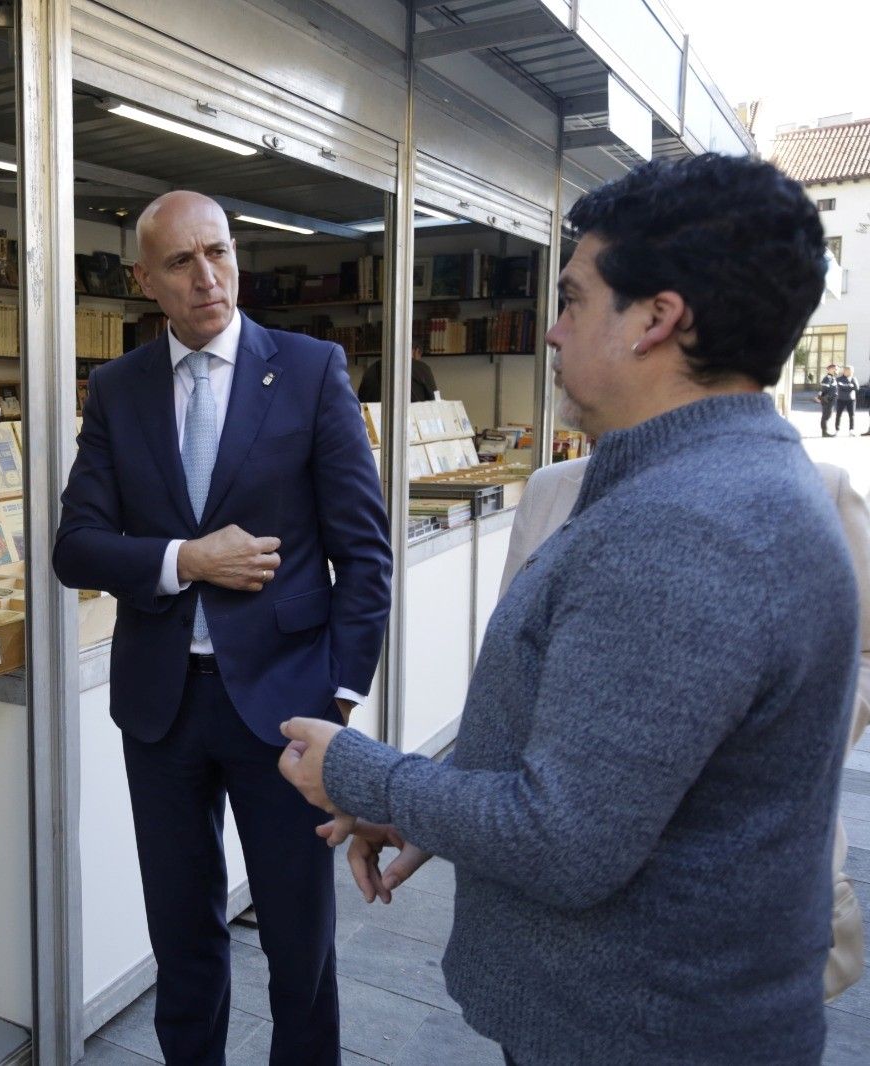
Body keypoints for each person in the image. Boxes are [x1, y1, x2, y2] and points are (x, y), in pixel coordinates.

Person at [278, 154, 855, 1064]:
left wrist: (365, 774)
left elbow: (564, 837)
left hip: (636, 1030)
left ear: (658, 320)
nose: (550, 330)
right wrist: (432, 808)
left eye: (576, 298)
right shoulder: (714, 486)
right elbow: (606, 755)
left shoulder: (687, 527)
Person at [53, 191, 391, 1063]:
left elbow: (364, 553)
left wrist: (341, 697)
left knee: (297, 942)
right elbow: (77, 548)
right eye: (180, 262)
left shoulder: (311, 370)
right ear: (145, 282)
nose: (208, 277)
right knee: (183, 936)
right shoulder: (119, 390)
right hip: (162, 710)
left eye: (220, 252)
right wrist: (186, 560)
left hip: (286, 707)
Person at [502, 454, 870, 1002]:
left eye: (560, 356)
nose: (552, 362)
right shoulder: (552, 488)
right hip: (564, 894)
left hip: (737, 905)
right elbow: (509, 669)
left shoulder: (816, 488)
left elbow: (861, 652)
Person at [355, 342, 438, 403]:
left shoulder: (371, 369)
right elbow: (435, 400)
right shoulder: (422, 368)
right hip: (410, 422)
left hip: (375, 422)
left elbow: (361, 401)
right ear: (416, 351)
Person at [835, 363, 859, 434]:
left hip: (851, 400)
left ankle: (851, 430)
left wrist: (845, 386)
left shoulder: (853, 379)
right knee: (838, 415)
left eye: (851, 371)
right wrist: (850, 386)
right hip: (841, 399)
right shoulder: (839, 379)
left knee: (851, 415)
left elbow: (857, 388)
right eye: (848, 370)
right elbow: (839, 386)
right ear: (844, 371)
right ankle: (837, 430)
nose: (850, 372)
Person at [820, 363, 839, 436]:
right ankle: (824, 432)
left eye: (837, 369)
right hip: (827, 400)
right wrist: (822, 398)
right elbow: (823, 389)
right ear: (830, 369)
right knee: (826, 415)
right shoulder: (827, 378)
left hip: (831, 400)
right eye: (835, 369)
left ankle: (825, 432)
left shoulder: (832, 377)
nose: (837, 370)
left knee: (828, 415)